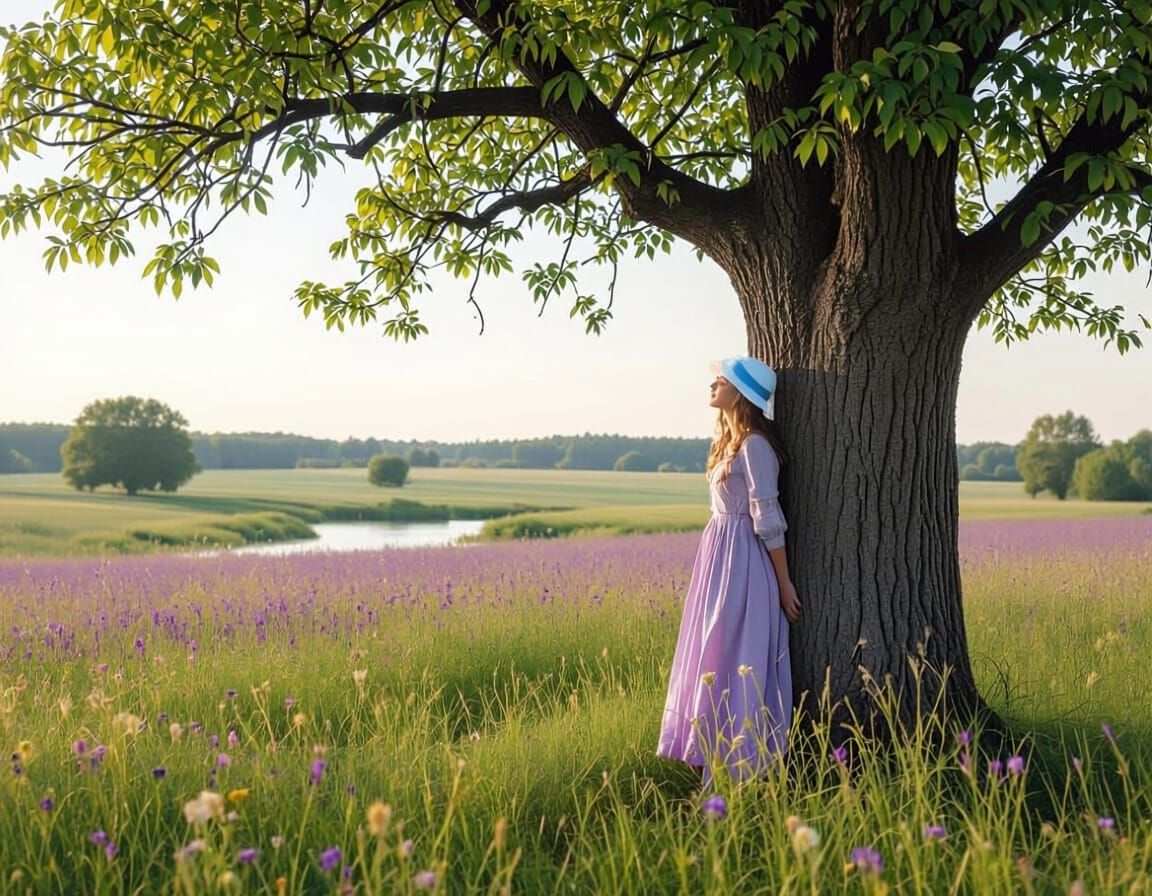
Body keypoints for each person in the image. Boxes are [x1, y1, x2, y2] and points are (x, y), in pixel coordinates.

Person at [656, 355, 801, 784]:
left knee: (736, 656)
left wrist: (784, 583)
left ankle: (738, 767)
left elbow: (767, 517)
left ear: (741, 394)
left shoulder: (755, 446)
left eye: (722, 380)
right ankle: (708, 757)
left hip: (743, 565)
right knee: (711, 653)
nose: (713, 384)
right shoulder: (729, 444)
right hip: (719, 561)